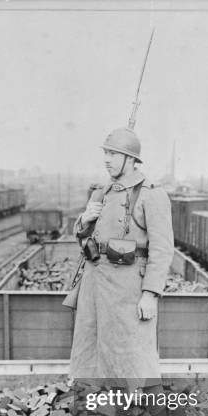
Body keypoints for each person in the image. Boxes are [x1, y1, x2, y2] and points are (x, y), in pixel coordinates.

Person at [69, 127, 174, 391]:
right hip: (94, 286)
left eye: (114, 154)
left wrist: (150, 293)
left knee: (134, 355)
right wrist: (84, 220)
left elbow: (162, 249)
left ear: (131, 159)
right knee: (92, 350)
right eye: (106, 153)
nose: (107, 159)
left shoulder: (151, 195)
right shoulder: (101, 193)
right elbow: (84, 240)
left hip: (128, 289)